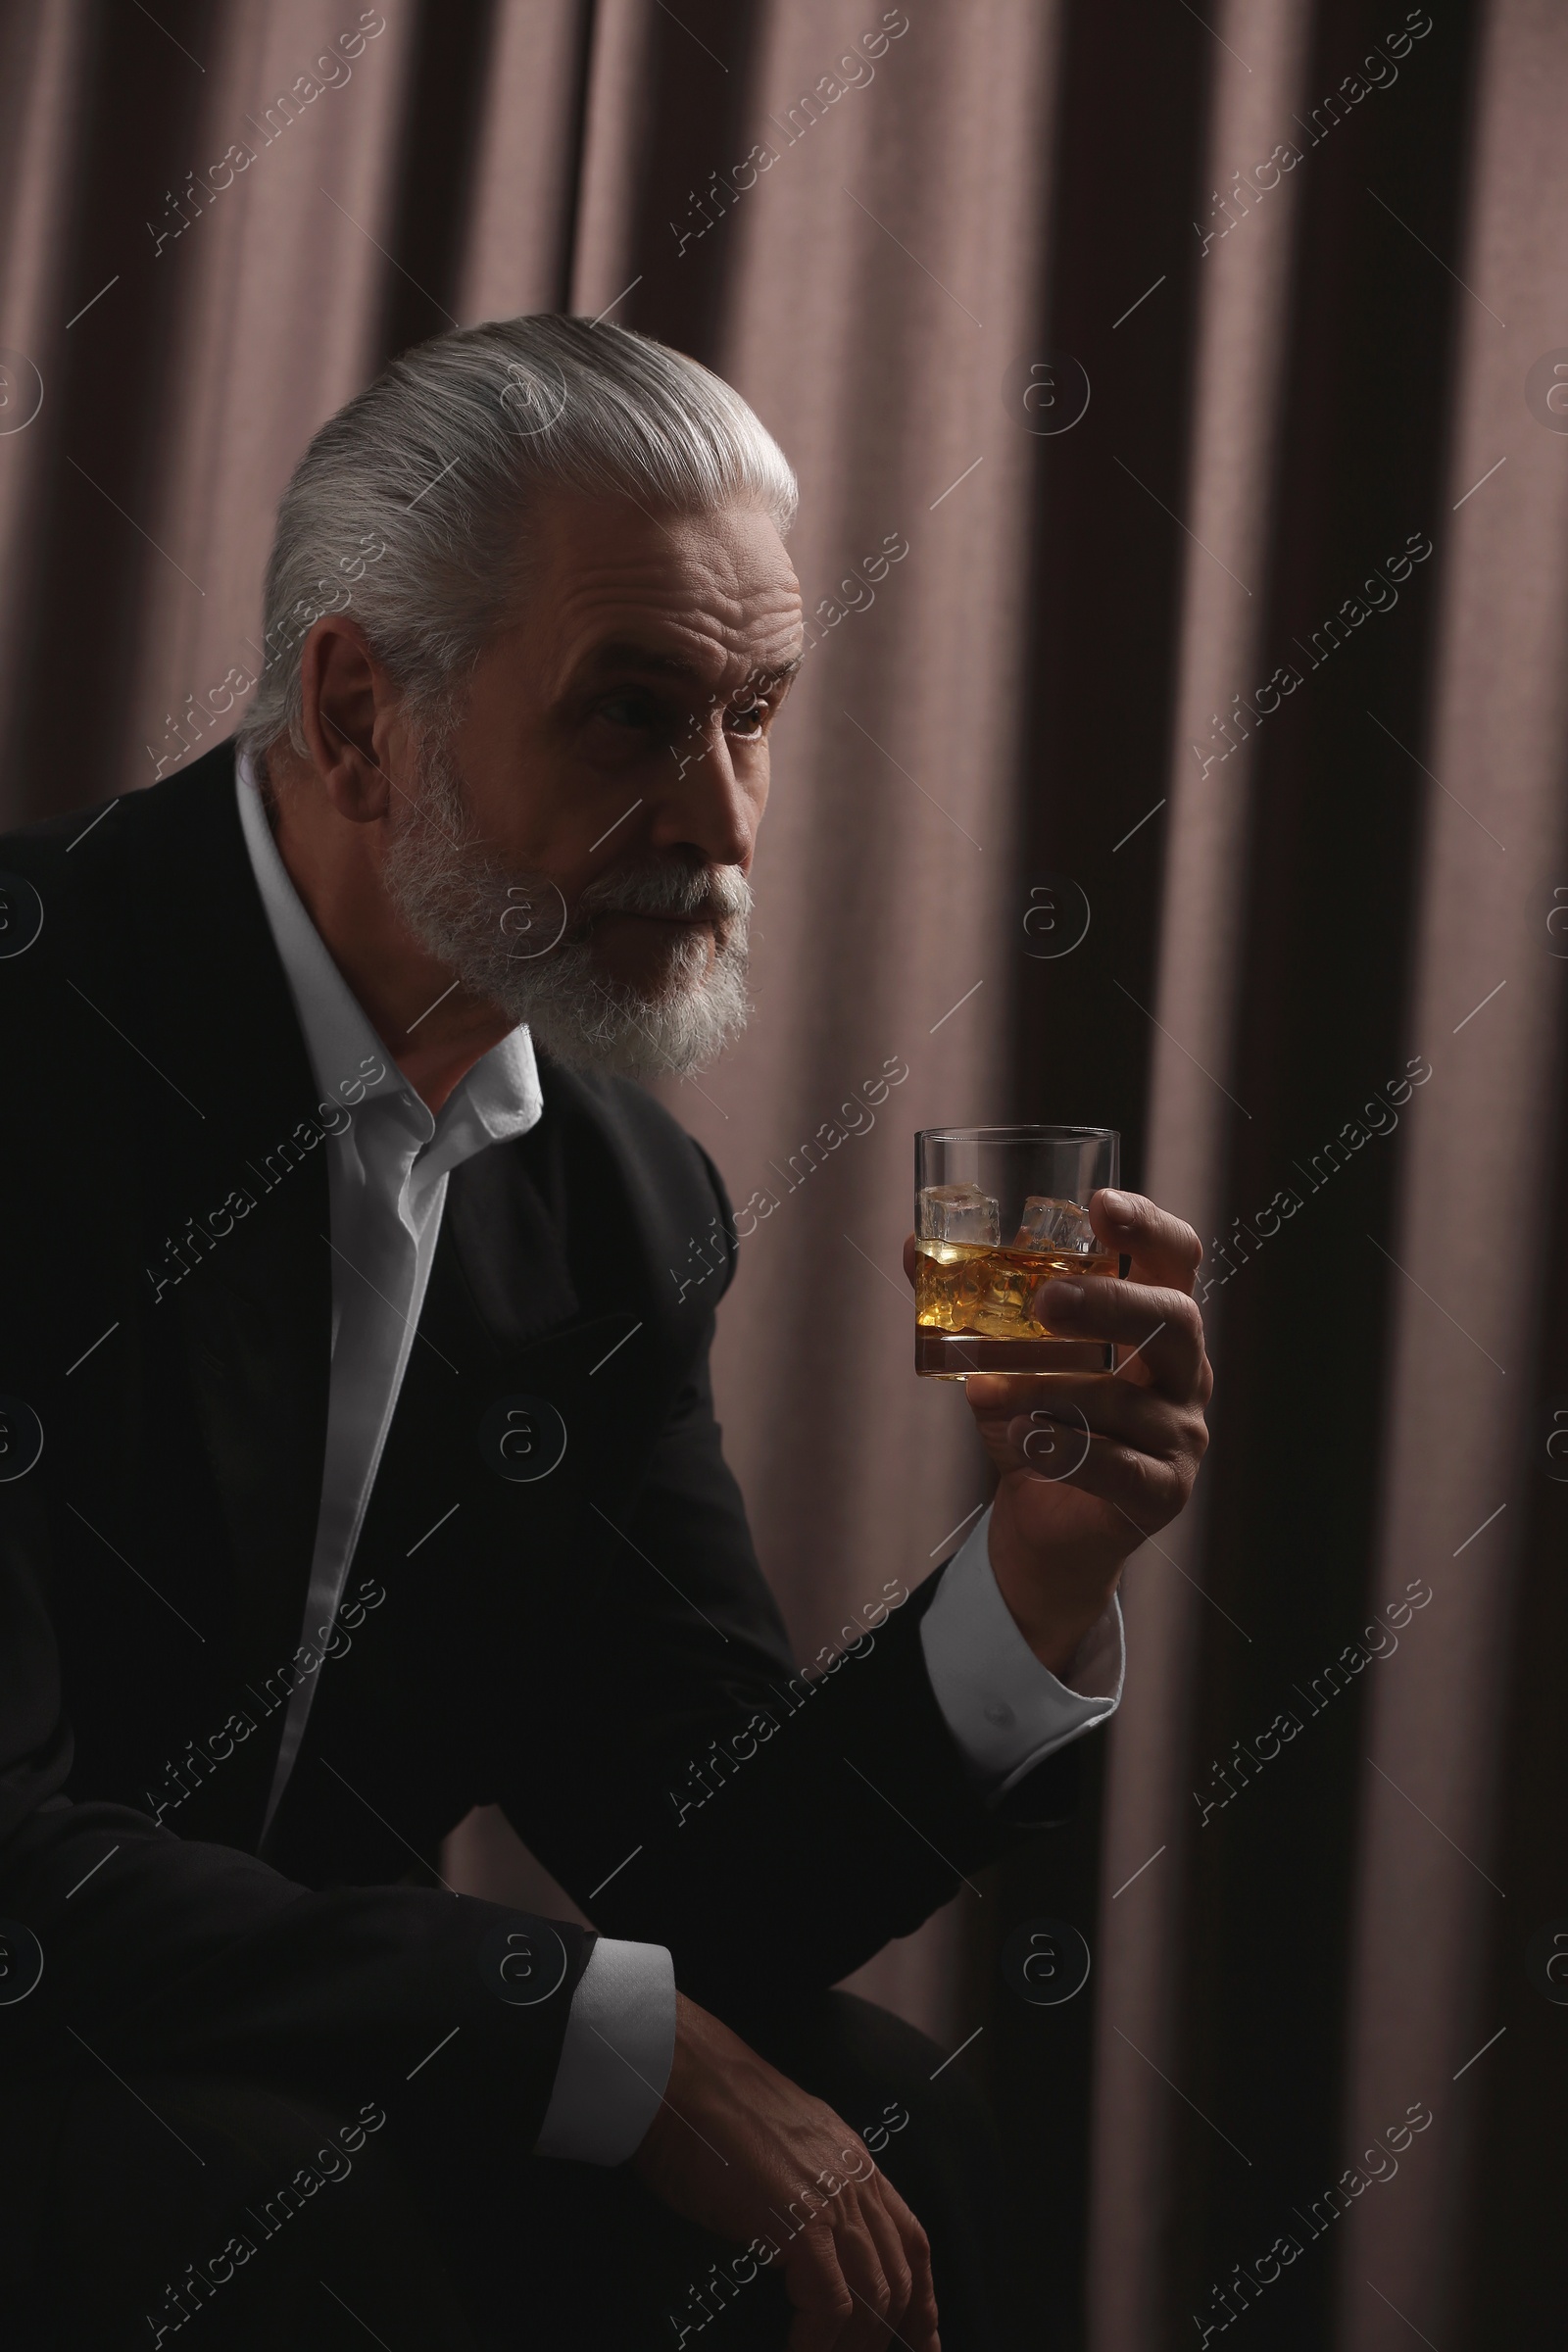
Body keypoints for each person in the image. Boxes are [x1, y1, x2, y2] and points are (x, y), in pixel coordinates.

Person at [0, 315, 1210, 2348]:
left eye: (755, 713)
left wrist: (1032, 1578)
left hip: (276, 2055)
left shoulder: (618, 1209)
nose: (726, 821)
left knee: (888, 2121)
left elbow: (705, 1872)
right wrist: (584, 2036)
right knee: (248, 2200)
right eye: (634, 716)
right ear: (359, 709)